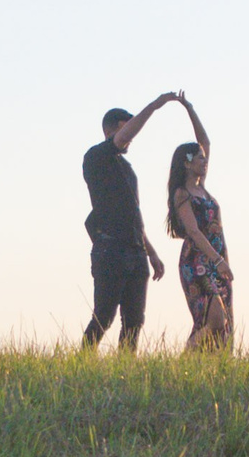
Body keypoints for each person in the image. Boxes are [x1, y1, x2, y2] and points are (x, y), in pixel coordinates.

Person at [81, 93, 172, 353]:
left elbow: (134, 215)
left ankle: (125, 369)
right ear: (114, 128)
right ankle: (82, 362)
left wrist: (151, 253)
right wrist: (153, 107)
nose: (131, 137)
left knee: (134, 321)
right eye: (126, 128)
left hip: (135, 250)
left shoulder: (127, 169)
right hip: (110, 249)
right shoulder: (96, 156)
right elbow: (122, 138)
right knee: (104, 315)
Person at [159, 92, 234, 351]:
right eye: (199, 158)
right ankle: (185, 358)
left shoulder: (203, 189)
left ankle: (203, 365)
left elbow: (205, 141)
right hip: (197, 260)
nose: (205, 161)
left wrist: (189, 108)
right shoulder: (183, 193)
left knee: (221, 326)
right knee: (214, 319)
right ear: (187, 163)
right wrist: (218, 260)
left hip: (216, 258)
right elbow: (193, 230)